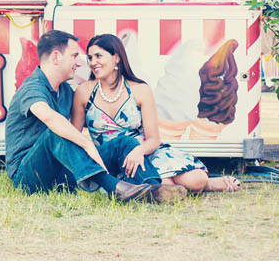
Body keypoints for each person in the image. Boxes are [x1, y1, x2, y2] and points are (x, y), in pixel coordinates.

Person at [4, 30, 187, 202]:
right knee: (57, 132)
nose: (80, 63)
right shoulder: (32, 87)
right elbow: (50, 118)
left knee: (124, 142)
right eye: (74, 56)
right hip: (28, 176)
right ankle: (115, 187)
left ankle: (154, 190)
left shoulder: (66, 91)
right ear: (56, 57)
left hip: (59, 172)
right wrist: (87, 144)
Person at [71, 34, 242, 193]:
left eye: (99, 56)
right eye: (90, 57)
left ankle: (202, 184)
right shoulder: (84, 92)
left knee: (196, 178)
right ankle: (180, 188)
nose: (93, 62)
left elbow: (153, 138)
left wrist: (139, 151)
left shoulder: (140, 90)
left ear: (116, 57)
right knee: (165, 183)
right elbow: (74, 135)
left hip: (143, 151)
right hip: (111, 158)